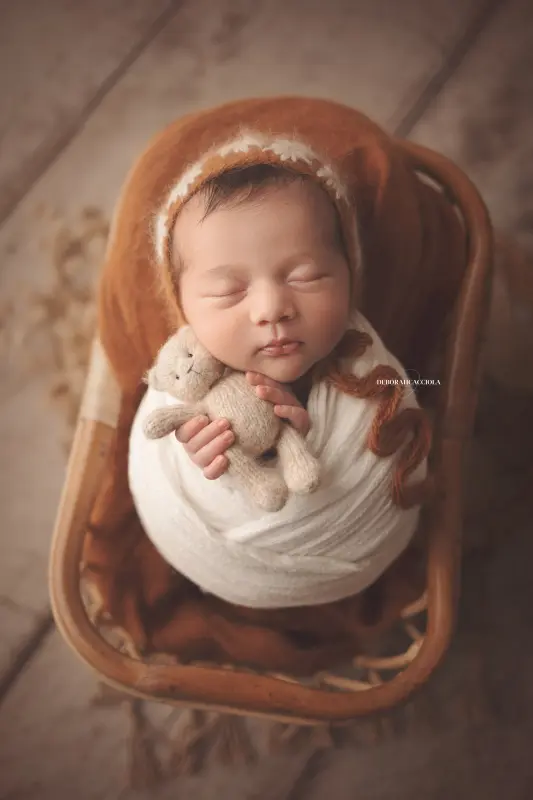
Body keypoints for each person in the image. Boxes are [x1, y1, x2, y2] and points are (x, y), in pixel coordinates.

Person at [84, 97, 466, 674]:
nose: (272, 308)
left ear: (350, 275)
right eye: (227, 292)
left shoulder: (370, 362)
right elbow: (160, 454)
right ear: (181, 305)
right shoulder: (180, 380)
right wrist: (201, 461)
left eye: (306, 276)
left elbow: (411, 406)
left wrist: (342, 421)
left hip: (352, 547)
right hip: (214, 552)